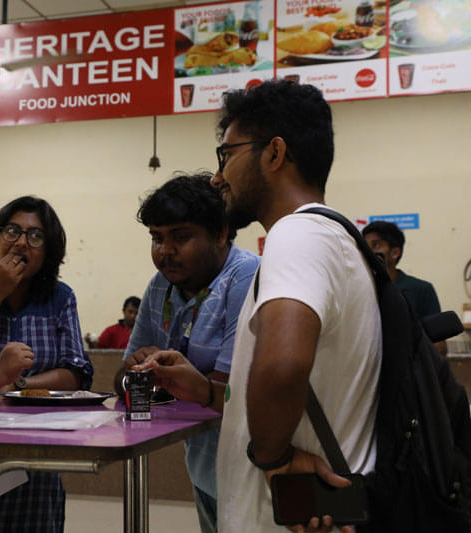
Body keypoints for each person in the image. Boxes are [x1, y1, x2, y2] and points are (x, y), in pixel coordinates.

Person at [145, 80, 382, 532]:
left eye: (227, 155)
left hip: (290, 517)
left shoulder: (297, 235)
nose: (218, 177)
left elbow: (283, 366)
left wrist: (272, 458)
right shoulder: (337, 237)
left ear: (273, 153)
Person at [116, 173, 260, 533]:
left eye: (181, 237)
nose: (165, 251)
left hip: (255, 470)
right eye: (156, 238)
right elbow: (122, 383)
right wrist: (135, 370)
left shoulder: (246, 275)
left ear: (221, 232)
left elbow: (226, 389)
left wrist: (164, 379)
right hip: (204, 467)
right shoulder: (162, 285)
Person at [0, 195, 94, 533]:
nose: (22, 242)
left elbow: (77, 372)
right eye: (12, 231)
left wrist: (19, 385)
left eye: (35, 236)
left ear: (48, 252)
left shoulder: (59, 298)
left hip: (35, 451)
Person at [362, 220, 446, 355]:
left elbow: (439, 347)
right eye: (365, 246)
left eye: (376, 245)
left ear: (395, 252)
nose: (368, 252)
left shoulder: (421, 289)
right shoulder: (359, 290)